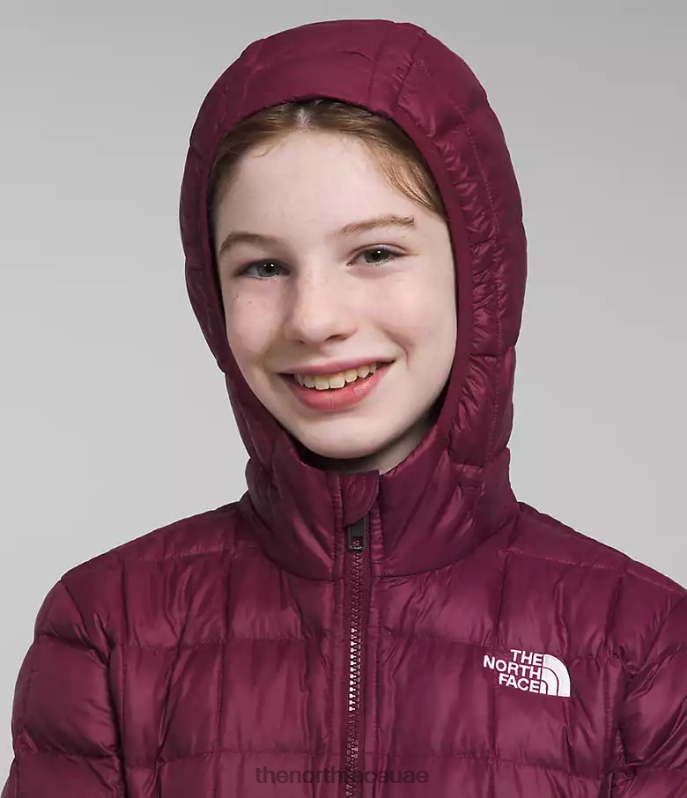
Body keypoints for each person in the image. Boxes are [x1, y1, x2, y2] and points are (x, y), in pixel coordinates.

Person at [2, 17, 686, 798]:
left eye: (375, 253)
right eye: (263, 267)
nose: (314, 319)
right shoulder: (106, 628)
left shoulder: (643, 641)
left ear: (480, 276)